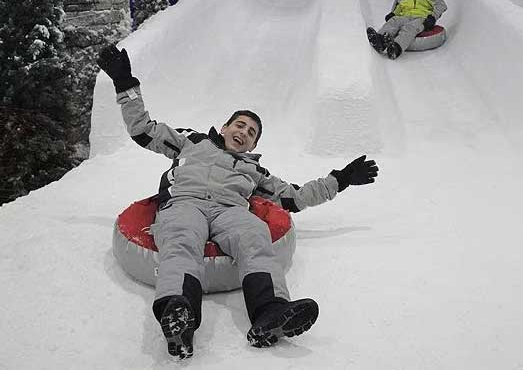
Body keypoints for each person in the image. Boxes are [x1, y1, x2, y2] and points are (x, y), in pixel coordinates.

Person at [96, 45, 379, 359]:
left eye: (252, 132)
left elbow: (294, 197)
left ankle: (270, 313)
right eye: (240, 125)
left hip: (229, 211)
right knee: (181, 239)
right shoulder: (192, 141)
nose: (244, 132)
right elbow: (143, 130)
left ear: (253, 145)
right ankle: (180, 315)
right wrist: (125, 83)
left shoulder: (254, 170)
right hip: (184, 204)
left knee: (254, 235)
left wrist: (339, 180)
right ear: (225, 127)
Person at [366, 0, 447, 60]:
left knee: (409, 27)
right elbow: (395, 12)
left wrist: (432, 17)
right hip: (405, 17)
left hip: (421, 18)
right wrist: (391, 15)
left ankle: (396, 48)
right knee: (394, 21)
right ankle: (380, 40)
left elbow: (441, 4)